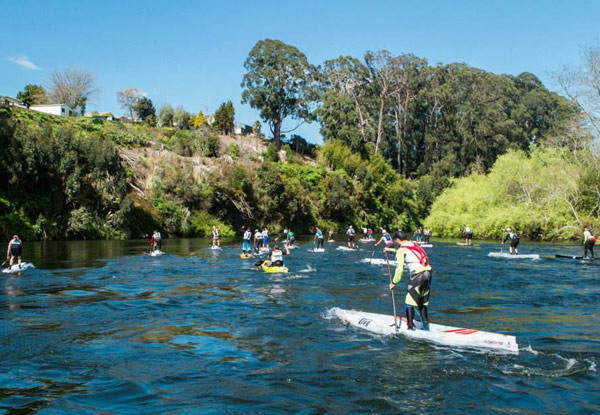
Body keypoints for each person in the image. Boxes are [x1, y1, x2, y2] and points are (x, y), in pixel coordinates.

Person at [384, 231, 432, 331]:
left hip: (417, 275)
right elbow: (405, 252)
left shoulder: (402, 250)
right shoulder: (414, 244)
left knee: (409, 301)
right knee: (422, 301)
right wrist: (390, 249)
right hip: (428, 272)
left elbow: (399, 269)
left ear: (397, 240)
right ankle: (426, 326)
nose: (395, 243)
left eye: (395, 241)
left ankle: (410, 328)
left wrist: (394, 282)